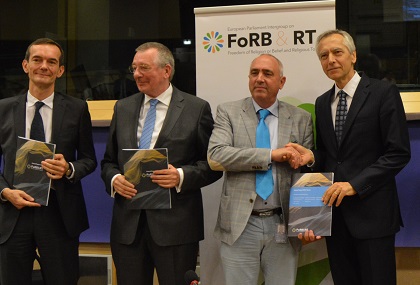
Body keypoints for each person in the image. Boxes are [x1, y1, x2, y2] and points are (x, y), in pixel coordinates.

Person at [288, 29, 411, 285]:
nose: (330, 60)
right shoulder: (322, 103)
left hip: (373, 217)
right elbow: (332, 158)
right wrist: (311, 157)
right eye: (323, 55)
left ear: (353, 56)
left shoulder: (383, 92)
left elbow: (398, 153)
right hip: (335, 218)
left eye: (337, 52)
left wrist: (354, 185)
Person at [101, 42, 222, 285]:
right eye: (134, 68)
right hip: (128, 228)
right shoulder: (123, 107)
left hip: (176, 228)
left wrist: (181, 175)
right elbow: (108, 162)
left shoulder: (196, 109)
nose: (136, 74)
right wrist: (115, 180)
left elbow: (213, 164)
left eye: (143, 67)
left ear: (166, 70)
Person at [207, 54, 314, 285]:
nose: (260, 79)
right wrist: (270, 155)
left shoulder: (301, 118)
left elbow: (305, 176)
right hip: (240, 226)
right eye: (254, 73)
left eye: (267, 73)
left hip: (283, 224)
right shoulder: (229, 112)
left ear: (282, 82)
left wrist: (308, 222)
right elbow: (216, 157)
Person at [0, 38, 97, 284]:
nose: (44, 66)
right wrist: (4, 192)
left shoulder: (77, 108)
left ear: (60, 70)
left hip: (59, 214)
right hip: (13, 213)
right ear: (25, 65)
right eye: (37, 60)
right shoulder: (3, 109)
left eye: (51, 62)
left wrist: (69, 168)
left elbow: (89, 159)